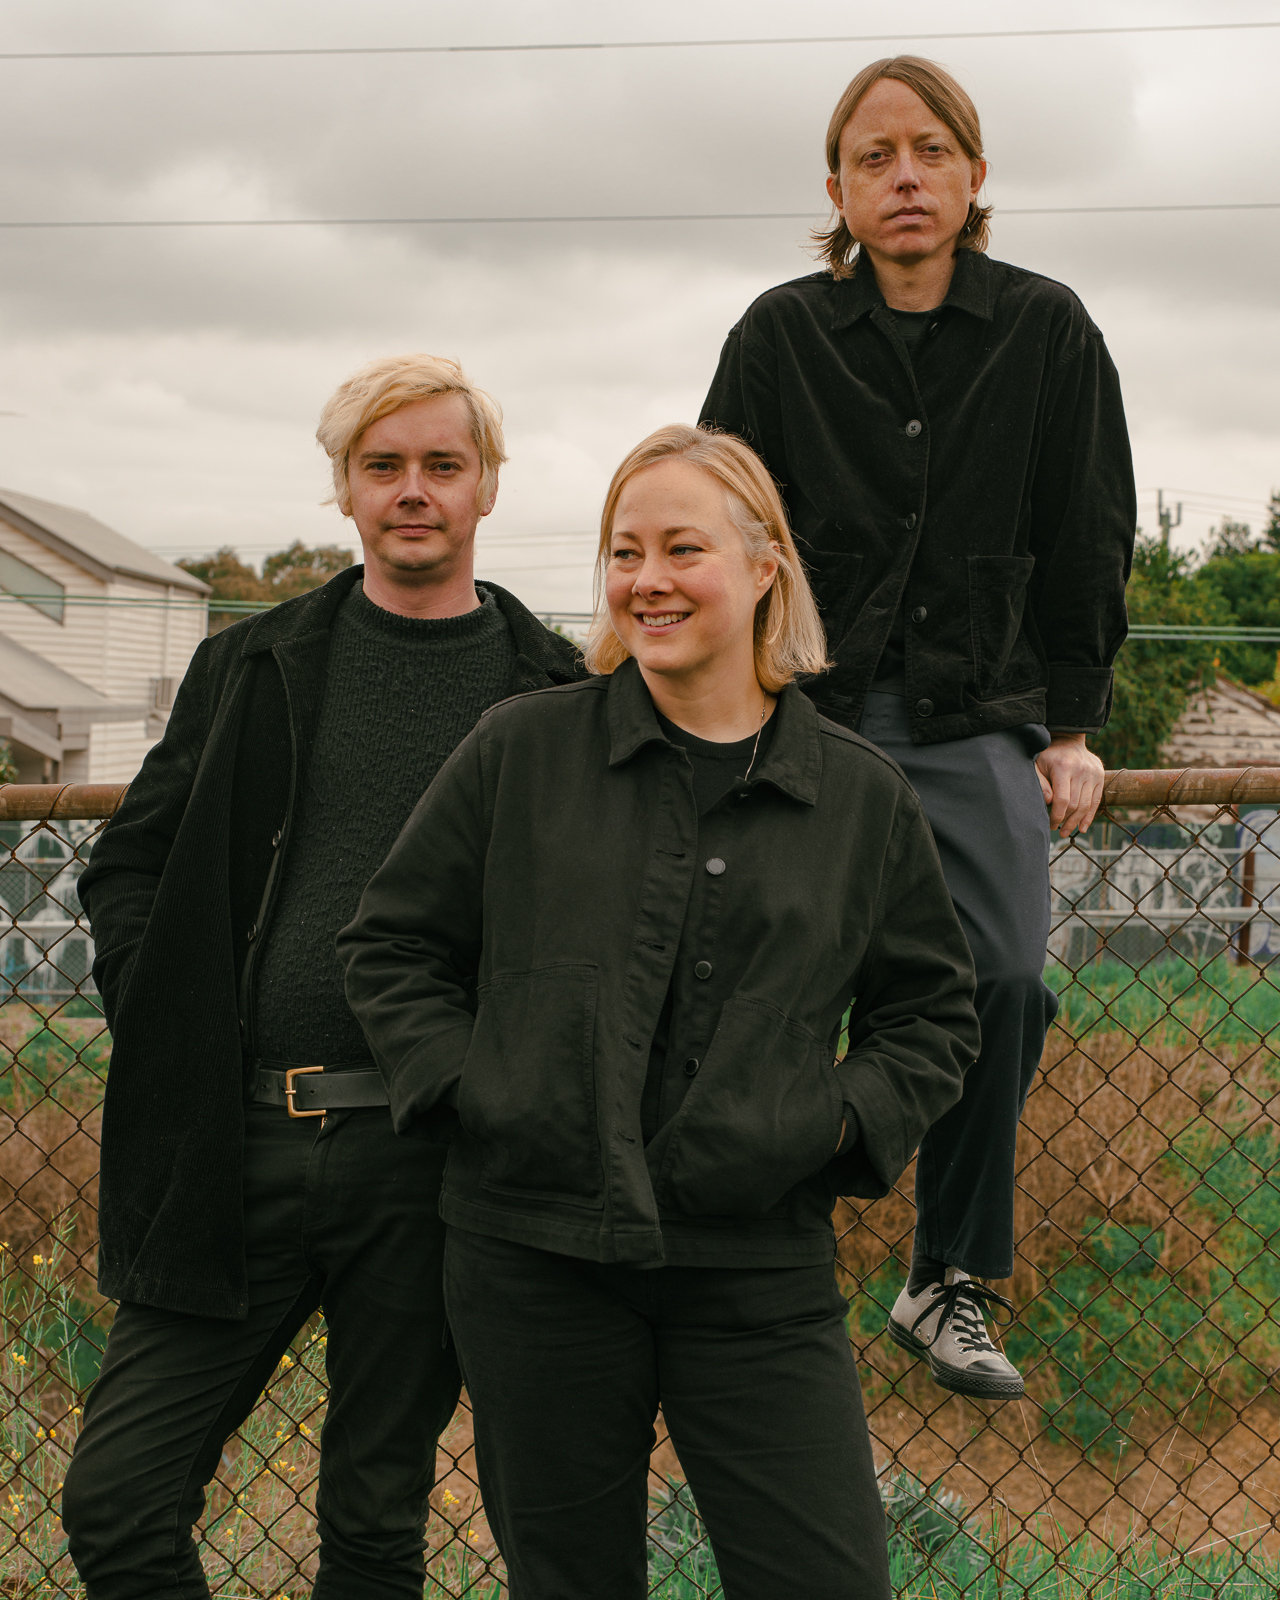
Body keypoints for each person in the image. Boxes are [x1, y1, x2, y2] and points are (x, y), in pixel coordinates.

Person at [338, 423, 980, 1600]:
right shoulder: (522, 750)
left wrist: (828, 1121)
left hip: (757, 1266)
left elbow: (931, 1013)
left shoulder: (857, 796)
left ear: (763, 566)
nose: (646, 579)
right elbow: (391, 946)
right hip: (534, 1257)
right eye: (624, 551)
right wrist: (485, 1091)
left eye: (682, 548)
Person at [62, 354, 582, 1599]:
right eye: (382, 465)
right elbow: (131, 862)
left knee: (371, 1518)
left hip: (432, 1159)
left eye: (442, 465)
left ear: (487, 487)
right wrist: (167, 1014)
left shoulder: (555, 690)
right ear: (344, 488)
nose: (413, 490)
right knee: (118, 1499)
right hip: (234, 1140)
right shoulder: (255, 664)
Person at [699, 55, 1137, 1400]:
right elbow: (719, 514)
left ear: (974, 176)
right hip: (797, 712)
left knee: (1000, 978)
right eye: (874, 157)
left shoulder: (1048, 330)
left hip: (977, 715)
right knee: (762, 985)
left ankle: (945, 1277)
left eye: (930, 151)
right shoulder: (778, 335)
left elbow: (1088, 531)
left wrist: (1070, 726)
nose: (904, 177)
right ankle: (741, 1260)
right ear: (837, 189)